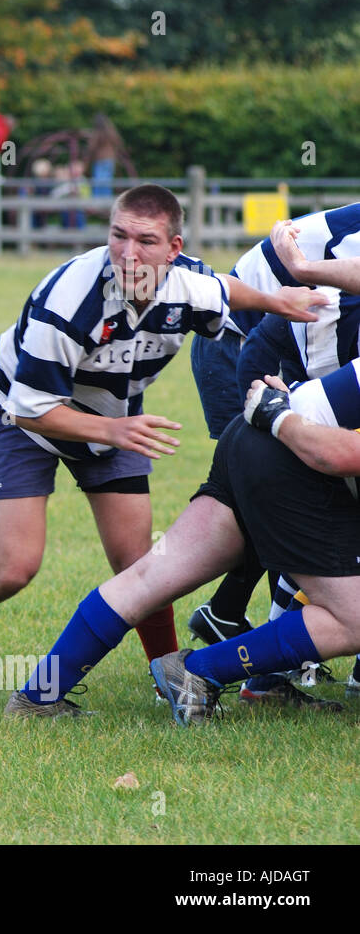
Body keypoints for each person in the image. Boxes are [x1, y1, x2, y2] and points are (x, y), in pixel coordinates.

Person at [0, 185, 325, 709]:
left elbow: (224, 290)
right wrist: (113, 432)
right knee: (13, 566)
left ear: (173, 249)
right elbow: (28, 408)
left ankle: (169, 680)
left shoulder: (187, 286)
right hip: (25, 419)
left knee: (144, 566)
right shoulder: (69, 300)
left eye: (146, 241)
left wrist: (275, 300)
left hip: (112, 418)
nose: (129, 254)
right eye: (119, 236)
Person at [4, 356, 360, 724]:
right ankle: (199, 671)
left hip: (252, 440)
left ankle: (37, 697)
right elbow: (337, 453)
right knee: (355, 618)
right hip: (289, 454)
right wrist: (280, 417)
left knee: (149, 577)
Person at [186, 203, 360, 701]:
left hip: (285, 328)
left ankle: (231, 618)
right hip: (242, 336)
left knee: (301, 491)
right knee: (282, 491)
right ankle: (258, 661)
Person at [86, 113, 125, 198]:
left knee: (98, 184)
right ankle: (105, 201)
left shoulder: (97, 133)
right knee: (106, 184)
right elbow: (119, 145)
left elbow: (91, 148)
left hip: (100, 162)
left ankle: (97, 203)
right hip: (110, 161)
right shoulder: (112, 132)